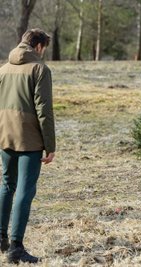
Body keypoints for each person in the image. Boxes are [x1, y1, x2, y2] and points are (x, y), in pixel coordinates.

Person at [0, 28, 55, 264]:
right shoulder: (40, 69)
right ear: (39, 46)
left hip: (4, 134)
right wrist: (50, 145)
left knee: (7, 184)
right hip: (29, 137)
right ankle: (16, 247)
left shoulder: (3, 68)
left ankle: (1, 239)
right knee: (25, 189)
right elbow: (44, 109)